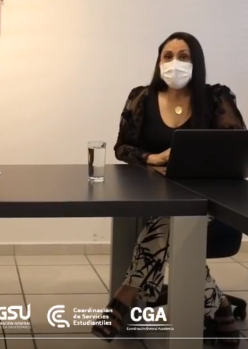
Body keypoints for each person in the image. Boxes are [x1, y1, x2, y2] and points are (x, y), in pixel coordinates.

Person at [92, 32, 246, 347]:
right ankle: (219, 305)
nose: (175, 62)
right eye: (168, 55)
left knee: (169, 221)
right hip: (155, 199)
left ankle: (125, 295)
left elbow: (236, 147)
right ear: (159, 61)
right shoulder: (141, 97)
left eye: (184, 56)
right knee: (169, 218)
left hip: (209, 204)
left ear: (197, 62)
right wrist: (152, 158)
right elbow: (123, 147)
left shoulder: (216, 98)